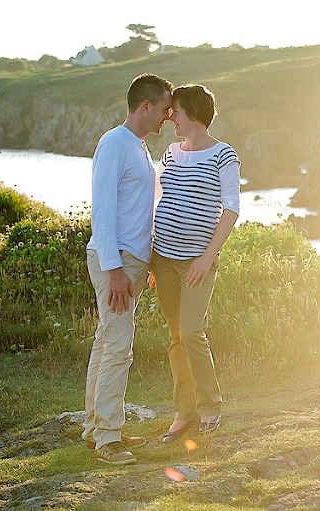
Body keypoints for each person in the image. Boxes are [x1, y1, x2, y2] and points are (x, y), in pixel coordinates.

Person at [83, 73, 174, 465]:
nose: (168, 118)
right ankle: (108, 437)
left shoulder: (140, 147)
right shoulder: (114, 143)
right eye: (165, 109)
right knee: (119, 345)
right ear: (145, 106)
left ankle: (95, 429)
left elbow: (141, 210)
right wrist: (115, 268)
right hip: (114, 259)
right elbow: (102, 210)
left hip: (132, 259)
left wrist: (148, 258)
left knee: (107, 341)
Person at [149, 84, 241, 443]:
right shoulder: (171, 152)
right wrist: (150, 259)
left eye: (176, 111)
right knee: (176, 336)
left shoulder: (224, 156)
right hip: (163, 259)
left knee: (191, 332)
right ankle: (183, 412)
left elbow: (231, 208)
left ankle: (210, 406)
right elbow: (158, 199)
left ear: (195, 115)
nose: (170, 116)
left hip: (196, 263)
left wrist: (207, 257)